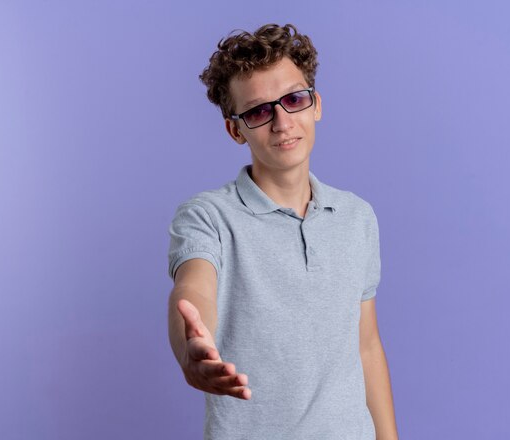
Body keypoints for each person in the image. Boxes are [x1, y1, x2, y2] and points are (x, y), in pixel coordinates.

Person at [167, 23, 399, 440]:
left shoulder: (357, 217)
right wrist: (191, 351)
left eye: (293, 99)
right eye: (258, 110)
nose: (281, 121)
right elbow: (193, 290)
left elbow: (366, 346)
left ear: (316, 105)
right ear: (236, 129)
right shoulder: (208, 216)